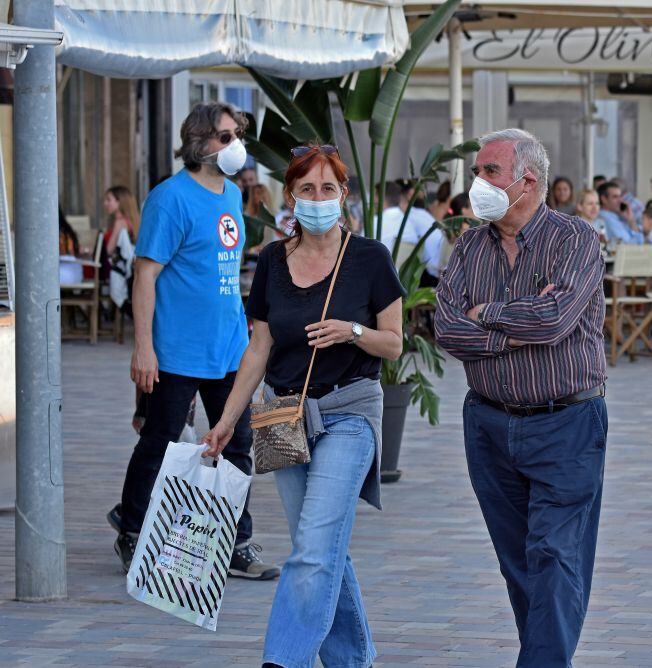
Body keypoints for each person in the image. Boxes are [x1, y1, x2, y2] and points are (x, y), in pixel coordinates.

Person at [201, 143, 404, 668]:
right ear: (291, 195)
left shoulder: (370, 259)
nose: (318, 198)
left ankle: (282, 660)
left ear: (344, 195)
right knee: (320, 547)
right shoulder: (272, 260)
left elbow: (394, 343)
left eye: (328, 189)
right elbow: (259, 347)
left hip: (348, 414)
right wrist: (225, 421)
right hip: (281, 417)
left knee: (314, 547)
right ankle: (353, 660)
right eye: (307, 189)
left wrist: (353, 331)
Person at [434, 128, 607, 668]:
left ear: (527, 181)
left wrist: (486, 314)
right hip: (489, 427)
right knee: (520, 564)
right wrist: (515, 324)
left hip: (566, 424)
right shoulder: (467, 248)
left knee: (555, 555)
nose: (475, 183)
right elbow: (445, 328)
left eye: (488, 172)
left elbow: (555, 320)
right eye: (476, 172)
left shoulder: (574, 240)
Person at [110, 101, 279, 580]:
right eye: (225, 137)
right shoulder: (170, 198)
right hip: (178, 351)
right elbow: (146, 277)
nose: (235, 146)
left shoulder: (230, 195)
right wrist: (143, 347)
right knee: (162, 443)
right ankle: (133, 529)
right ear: (198, 143)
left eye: (237, 135)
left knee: (239, 444)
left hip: (229, 348)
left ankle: (235, 540)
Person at [399, 178, 444, 287]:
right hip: (432, 270)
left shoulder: (414, 216)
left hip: (426, 272)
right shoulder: (420, 214)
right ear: (410, 193)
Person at [597, 181, 643, 245]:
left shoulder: (615, 216)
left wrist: (630, 219)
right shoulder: (605, 218)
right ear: (604, 199)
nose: (620, 200)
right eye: (615, 197)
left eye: (620, 196)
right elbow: (628, 243)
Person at [103, 185, 140, 256]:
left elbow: (109, 250)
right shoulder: (132, 220)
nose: (105, 203)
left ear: (119, 201)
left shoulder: (120, 222)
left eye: (108, 200)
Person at [58, 207, 83, 285]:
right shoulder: (67, 229)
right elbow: (78, 250)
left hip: (65, 274)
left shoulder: (58, 233)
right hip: (77, 273)